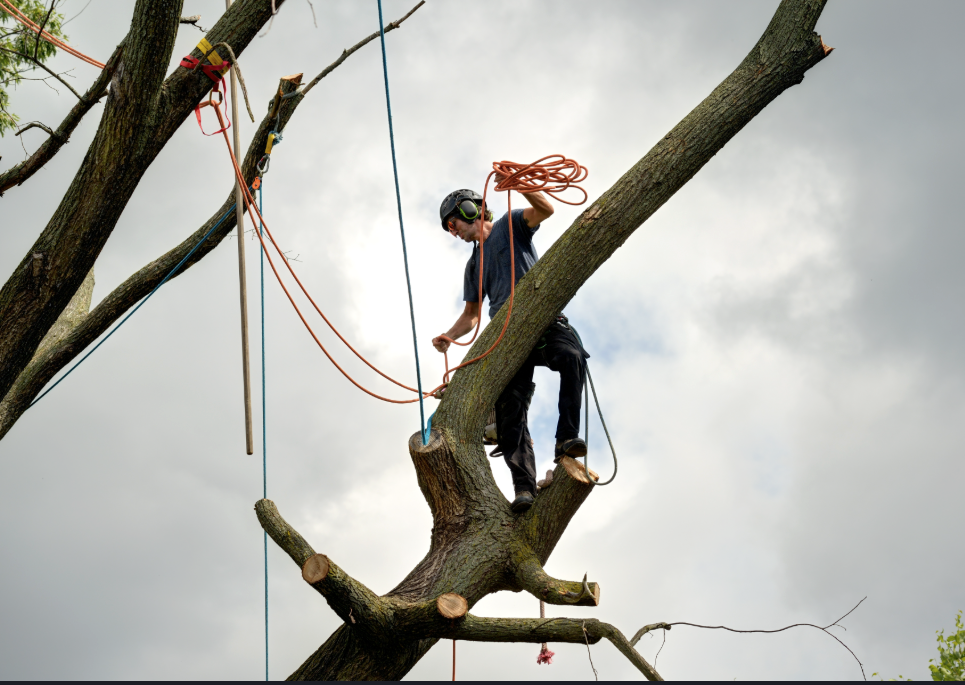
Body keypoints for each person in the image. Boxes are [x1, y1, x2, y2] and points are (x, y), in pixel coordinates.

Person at [432, 185, 589, 513]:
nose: (454, 231)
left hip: (542, 319)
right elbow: (472, 315)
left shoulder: (510, 224)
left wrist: (521, 185)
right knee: (510, 411)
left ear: (469, 210)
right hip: (506, 335)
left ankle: (566, 440)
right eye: (449, 228)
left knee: (572, 357)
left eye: (453, 223)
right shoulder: (473, 266)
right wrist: (449, 335)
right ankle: (523, 488)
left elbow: (544, 210)